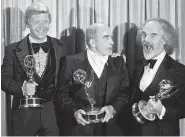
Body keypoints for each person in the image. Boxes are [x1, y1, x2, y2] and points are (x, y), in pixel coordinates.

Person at [1, 2, 65, 136]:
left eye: (45, 21)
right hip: (24, 114)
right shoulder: (12, 49)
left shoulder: (61, 46)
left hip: (53, 113)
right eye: (36, 22)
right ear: (27, 23)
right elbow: (4, 79)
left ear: (50, 22)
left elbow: (73, 71)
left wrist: (111, 59)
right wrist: (22, 88)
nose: (42, 27)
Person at [55, 23, 130, 136]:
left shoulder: (118, 62)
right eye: (106, 37)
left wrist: (113, 107)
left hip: (112, 129)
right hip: (80, 130)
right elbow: (62, 93)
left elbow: (126, 91)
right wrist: (74, 112)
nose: (112, 42)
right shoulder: (70, 62)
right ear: (92, 42)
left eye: (111, 37)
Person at [126, 17, 185, 136]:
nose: (146, 40)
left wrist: (162, 111)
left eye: (153, 35)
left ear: (164, 40)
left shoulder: (179, 70)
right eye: (144, 35)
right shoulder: (138, 66)